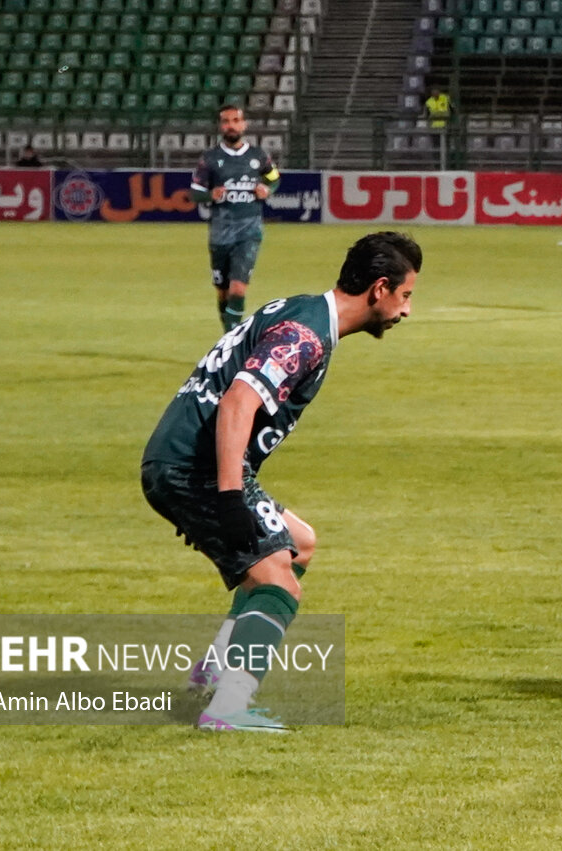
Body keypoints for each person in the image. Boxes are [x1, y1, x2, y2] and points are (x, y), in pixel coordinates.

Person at [141, 232, 423, 732]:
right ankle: (227, 707)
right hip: (197, 467)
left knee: (299, 544)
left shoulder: (303, 309)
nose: (406, 312)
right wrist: (230, 499)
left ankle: (212, 670)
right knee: (278, 582)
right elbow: (238, 402)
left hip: (188, 459)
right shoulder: (305, 335)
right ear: (380, 289)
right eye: (405, 296)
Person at [190, 103, 281, 331]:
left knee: (238, 288)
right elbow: (194, 192)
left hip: (249, 230)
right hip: (220, 232)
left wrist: (268, 189)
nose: (231, 125)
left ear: (244, 124)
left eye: (235, 120)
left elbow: (275, 178)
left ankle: (233, 339)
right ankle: (228, 334)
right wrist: (210, 194)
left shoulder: (258, 156)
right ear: (221, 126)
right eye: (226, 121)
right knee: (222, 290)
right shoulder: (210, 158)